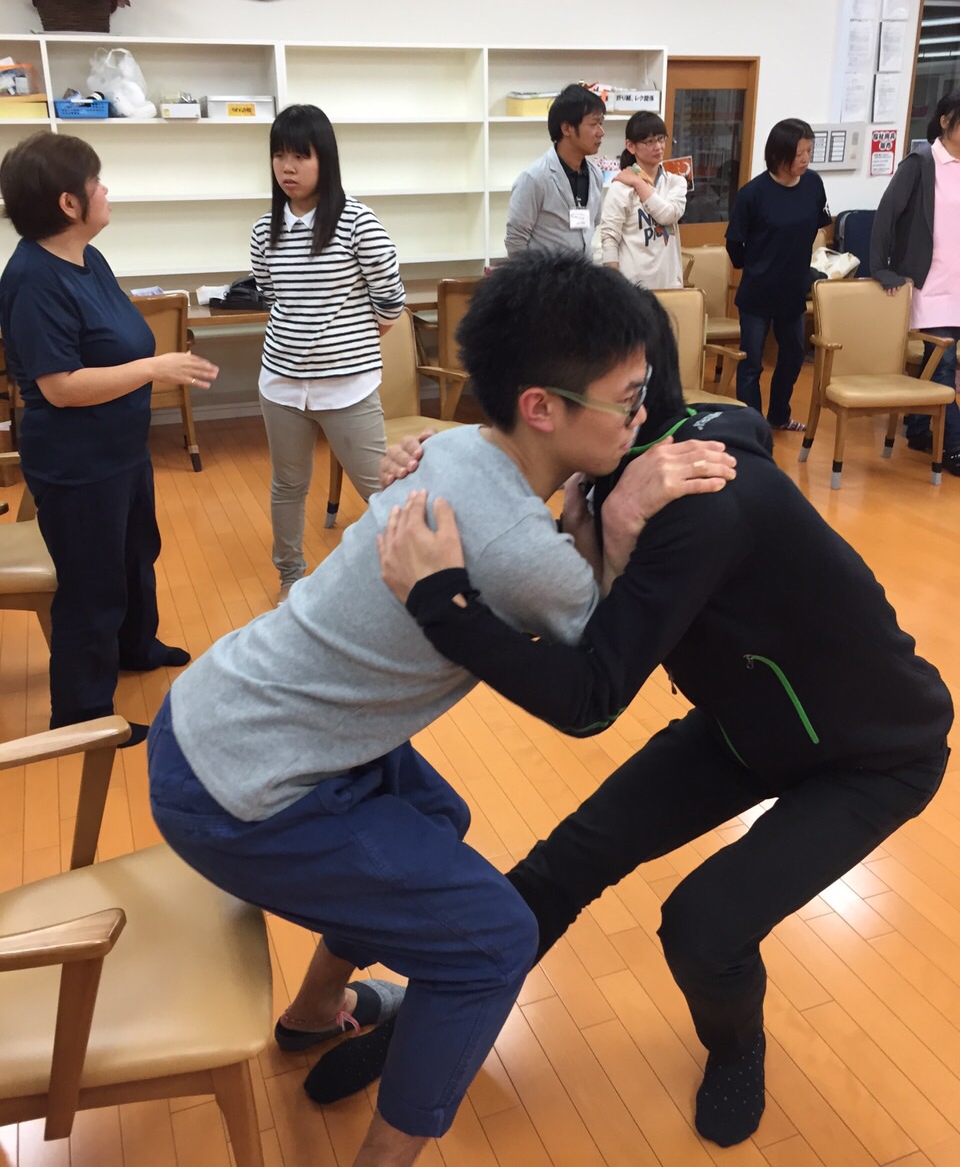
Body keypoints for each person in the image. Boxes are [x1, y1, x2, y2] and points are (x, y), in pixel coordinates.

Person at [146, 252, 735, 1167]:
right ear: (541, 407)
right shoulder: (515, 544)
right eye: (629, 401)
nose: (642, 418)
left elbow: (540, 551)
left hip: (215, 719)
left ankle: (315, 1011)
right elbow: (598, 650)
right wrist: (620, 521)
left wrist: (588, 503)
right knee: (494, 940)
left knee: (435, 816)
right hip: (241, 791)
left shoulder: (455, 446)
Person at [374, 292, 952, 1151]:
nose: (518, 424)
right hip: (745, 723)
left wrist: (442, 604)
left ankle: (737, 1044)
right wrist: (430, 462)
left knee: (703, 927)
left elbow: (590, 699)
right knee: (562, 863)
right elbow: (526, 483)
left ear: (631, 395)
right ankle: (427, 1021)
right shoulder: (620, 463)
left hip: (872, 755)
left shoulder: (700, 497)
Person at [0, 132, 219, 746]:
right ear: (69, 203)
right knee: (90, 584)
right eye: (96, 182)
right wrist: (155, 367)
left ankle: (135, 648)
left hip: (120, 449)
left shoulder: (87, 259)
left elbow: (111, 338)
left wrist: (152, 364)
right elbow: (61, 387)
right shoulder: (33, 280)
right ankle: (82, 714)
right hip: (76, 463)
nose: (105, 190)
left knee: (134, 557)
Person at [251, 104, 405, 603]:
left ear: (326, 160)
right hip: (281, 384)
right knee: (288, 485)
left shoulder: (358, 222)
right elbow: (271, 295)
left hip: (347, 386)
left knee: (381, 488)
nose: (288, 167)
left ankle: (413, 575)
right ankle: (290, 576)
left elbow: (390, 299)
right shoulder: (264, 230)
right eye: (279, 155)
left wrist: (349, 342)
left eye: (301, 156)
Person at [871, 90, 960, 478]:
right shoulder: (921, 163)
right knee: (944, 366)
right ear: (945, 121)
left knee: (936, 362)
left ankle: (921, 429)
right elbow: (885, 216)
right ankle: (954, 448)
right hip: (931, 285)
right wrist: (882, 269)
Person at [726, 118, 831, 431]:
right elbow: (734, 243)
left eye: (809, 151)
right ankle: (752, 425)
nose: (805, 159)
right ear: (778, 154)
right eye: (799, 153)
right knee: (751, 362)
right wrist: (754, 266)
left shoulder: (813, 185)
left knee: (793, 356)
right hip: (757, 292)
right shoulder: (753, 194)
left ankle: (779, 415)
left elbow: (817, 225)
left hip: (793, 290)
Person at [504, 83, 605, 258]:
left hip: (582, 272)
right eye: (594, 124)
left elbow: (593, 224)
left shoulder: (595, 175)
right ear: (566, 128)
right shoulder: (535, 178)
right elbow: (515, 240)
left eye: (601, 124)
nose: (601, 132)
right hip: (543, 274)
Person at [600, 109, 687, 288]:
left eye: (661, 139)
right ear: (631, 146)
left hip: (669, 286)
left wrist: (638, 183)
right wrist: (614, 284)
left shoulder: (676, 182)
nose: (658, 147)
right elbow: (609, 237)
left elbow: (669, 215)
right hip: (632, 289)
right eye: (649, 141)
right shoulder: (621, 187)